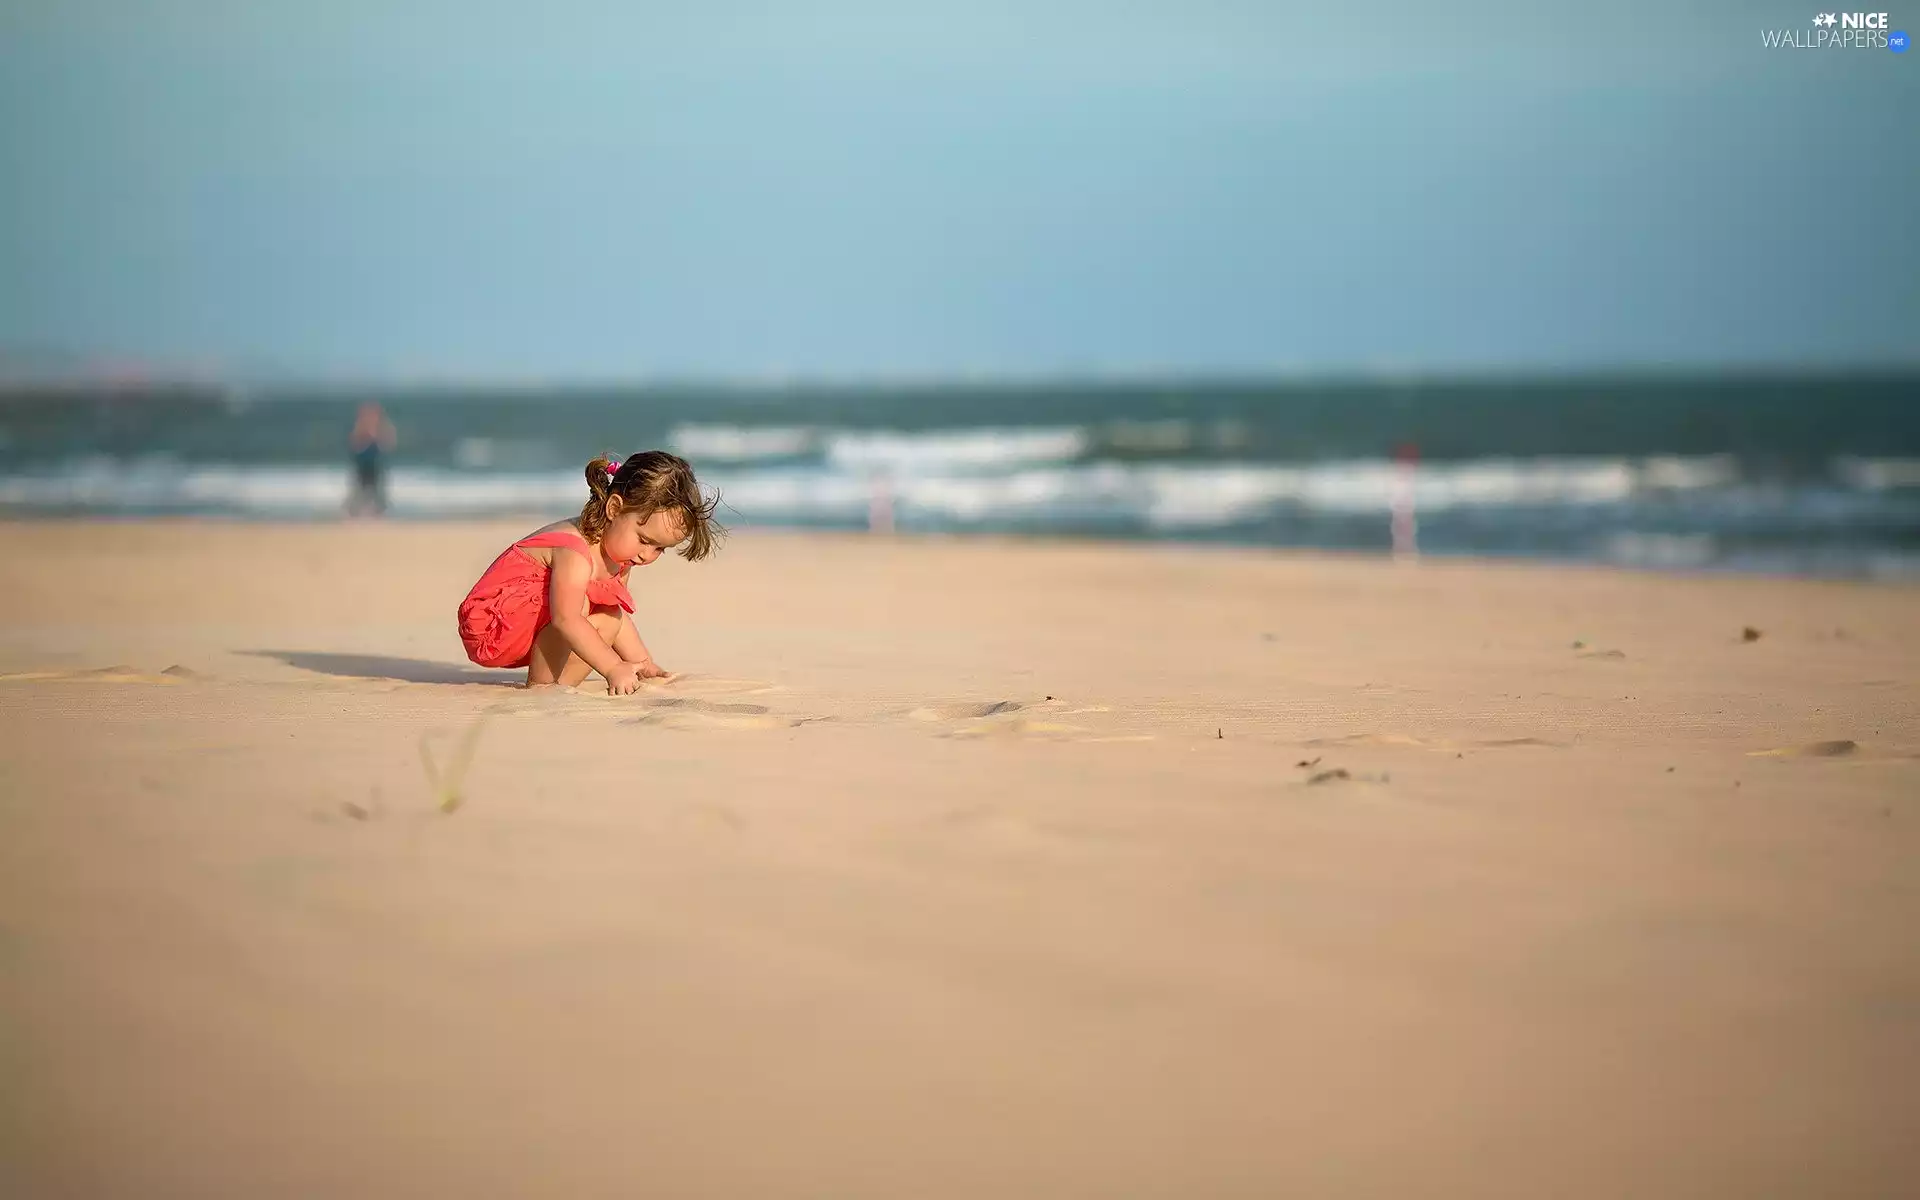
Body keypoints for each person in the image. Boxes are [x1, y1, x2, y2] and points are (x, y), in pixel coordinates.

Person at [457, 451, 721, 693]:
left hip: (533, 621)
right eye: (644, 539)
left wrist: (643, 664)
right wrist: (612, 667)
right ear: (614, 509)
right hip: (494, 624)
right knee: (577, 606)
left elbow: (615, 615)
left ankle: (561, 686)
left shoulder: (622, 555)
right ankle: (541, 687)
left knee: (609, 617)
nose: (647, 554)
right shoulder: (574, 551)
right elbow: (566, 619)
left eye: (660, 549)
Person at [347, 402, 397, 516]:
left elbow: (389, 444)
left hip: (374, 466)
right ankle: (354, 513)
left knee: (377, 493)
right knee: (359, 492)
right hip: (363, 466)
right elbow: (355, 445)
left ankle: (378, 514)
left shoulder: (380, 429)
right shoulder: (361, 428)